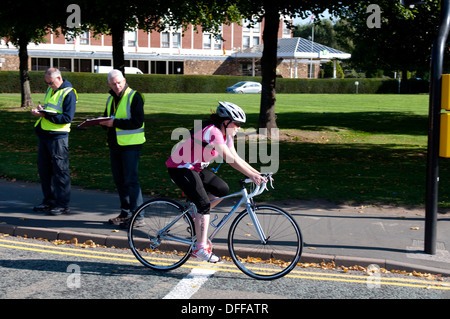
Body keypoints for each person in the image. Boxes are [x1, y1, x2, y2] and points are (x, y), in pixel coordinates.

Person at [166, 101, 267, 263]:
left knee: (222, 189)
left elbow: (236, 158)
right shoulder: (213, 132)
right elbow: (229, 159)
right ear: (225, 122)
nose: (239, 128)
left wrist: (258, 173)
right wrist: (252, 175)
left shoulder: (226, 135)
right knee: (204, 205)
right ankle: (200, 248)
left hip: (194, 168)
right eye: (237, 124)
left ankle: (194, 216)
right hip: (180, 167)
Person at [99, 69, 145, 228]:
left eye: (119, 83)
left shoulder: (134, 96)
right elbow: (108, 117)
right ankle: (126, 213)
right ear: (109, 84)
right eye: (113, 84)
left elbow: (137, 122)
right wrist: (101, 122)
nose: (117, 86)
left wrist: (114, 123)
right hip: (116, 145)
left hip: (131, 145)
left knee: (131, 180)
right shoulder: (111, 98)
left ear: (124, 80)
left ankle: (138, 216)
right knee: (120, 181)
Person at [31, 68, 77, 215]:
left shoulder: (68, 92)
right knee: (44, 171)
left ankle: (62, 204)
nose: (49, 85)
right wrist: (43, 110)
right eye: (47, 83)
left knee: (60, 171)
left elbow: (67, 118)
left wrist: (45, 115)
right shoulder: (51, 90)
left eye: (51, 83)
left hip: (58, 136)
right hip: (45, 134)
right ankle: (49, 201)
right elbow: (52, 109)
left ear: (59, 78)